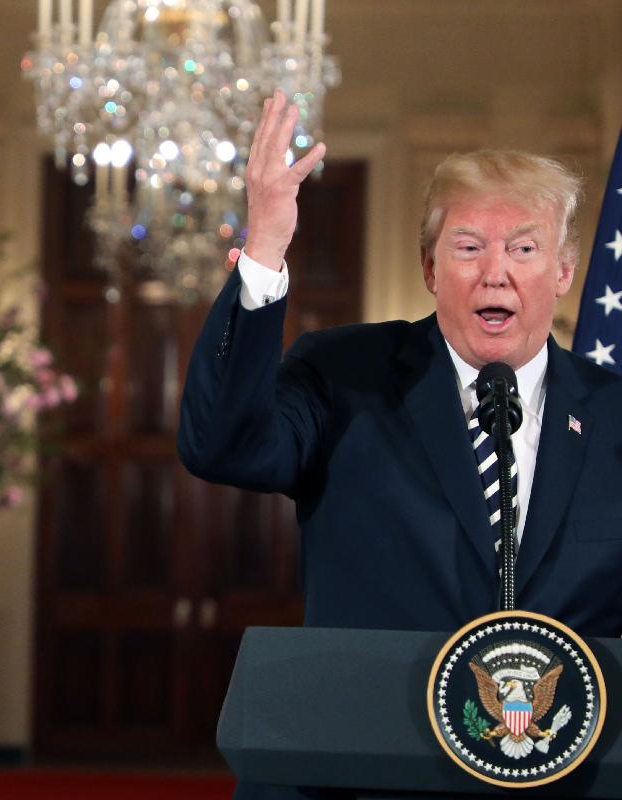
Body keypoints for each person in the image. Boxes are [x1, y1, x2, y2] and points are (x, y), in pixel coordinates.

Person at [179, 92, 622, 799]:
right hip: (360, 775)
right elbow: (219, 446)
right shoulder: (343, 375)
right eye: (468, 247)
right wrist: (263, 250)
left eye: (524, 248)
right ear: (430, 267)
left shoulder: (614, 414)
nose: (496, 272)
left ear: (564, 271)